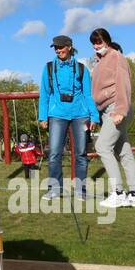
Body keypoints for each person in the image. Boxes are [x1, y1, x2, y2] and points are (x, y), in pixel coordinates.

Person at [89, 27, 135, 209]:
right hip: (105, 111)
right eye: (94, 42)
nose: (97, 45)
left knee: (102, 146)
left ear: (107, 40)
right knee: (123, 150)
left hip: (116, 108)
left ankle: (118, 192)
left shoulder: (116, 57)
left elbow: (123, 84)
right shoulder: (99, 62)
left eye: (99, 41)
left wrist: (120, 109)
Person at [38, 34, 99, 196]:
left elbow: (88, 94)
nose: (58, 50)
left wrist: (94, 116)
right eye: (56, 48)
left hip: (81, 115)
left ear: (69, 47)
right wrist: (43, 116)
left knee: (80, 154)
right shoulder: (49, 68)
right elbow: (44, 94)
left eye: (61, 47)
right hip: (57, 115)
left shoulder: (81, 69)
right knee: (54, 153)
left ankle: (81, 190)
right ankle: (55, 189)